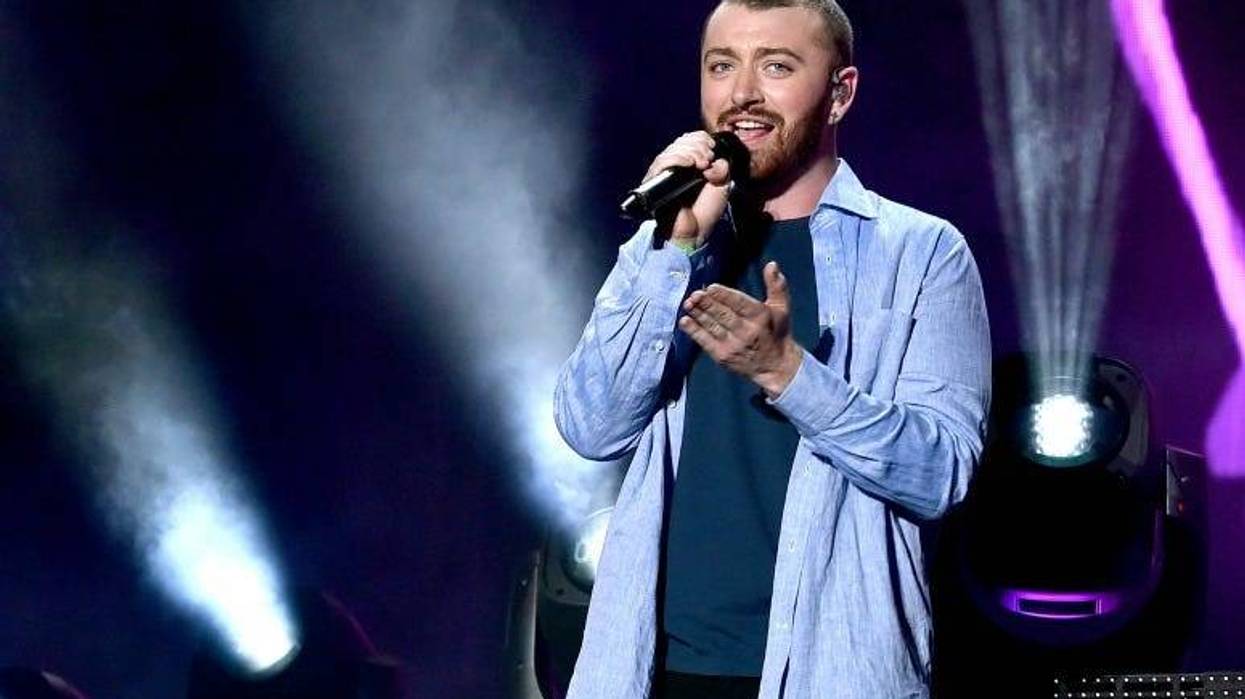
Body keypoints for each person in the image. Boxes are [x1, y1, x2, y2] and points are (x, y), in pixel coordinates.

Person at [554, 1, 991, 697]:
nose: (742, 94)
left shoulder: (921, 253)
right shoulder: (675, 243)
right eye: (721, 66)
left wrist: (787, 372)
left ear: (840, 92)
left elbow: (938, 472)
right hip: (656, 670)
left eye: (777, 66)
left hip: (832, 670)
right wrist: (674, 248)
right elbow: (591, 424)